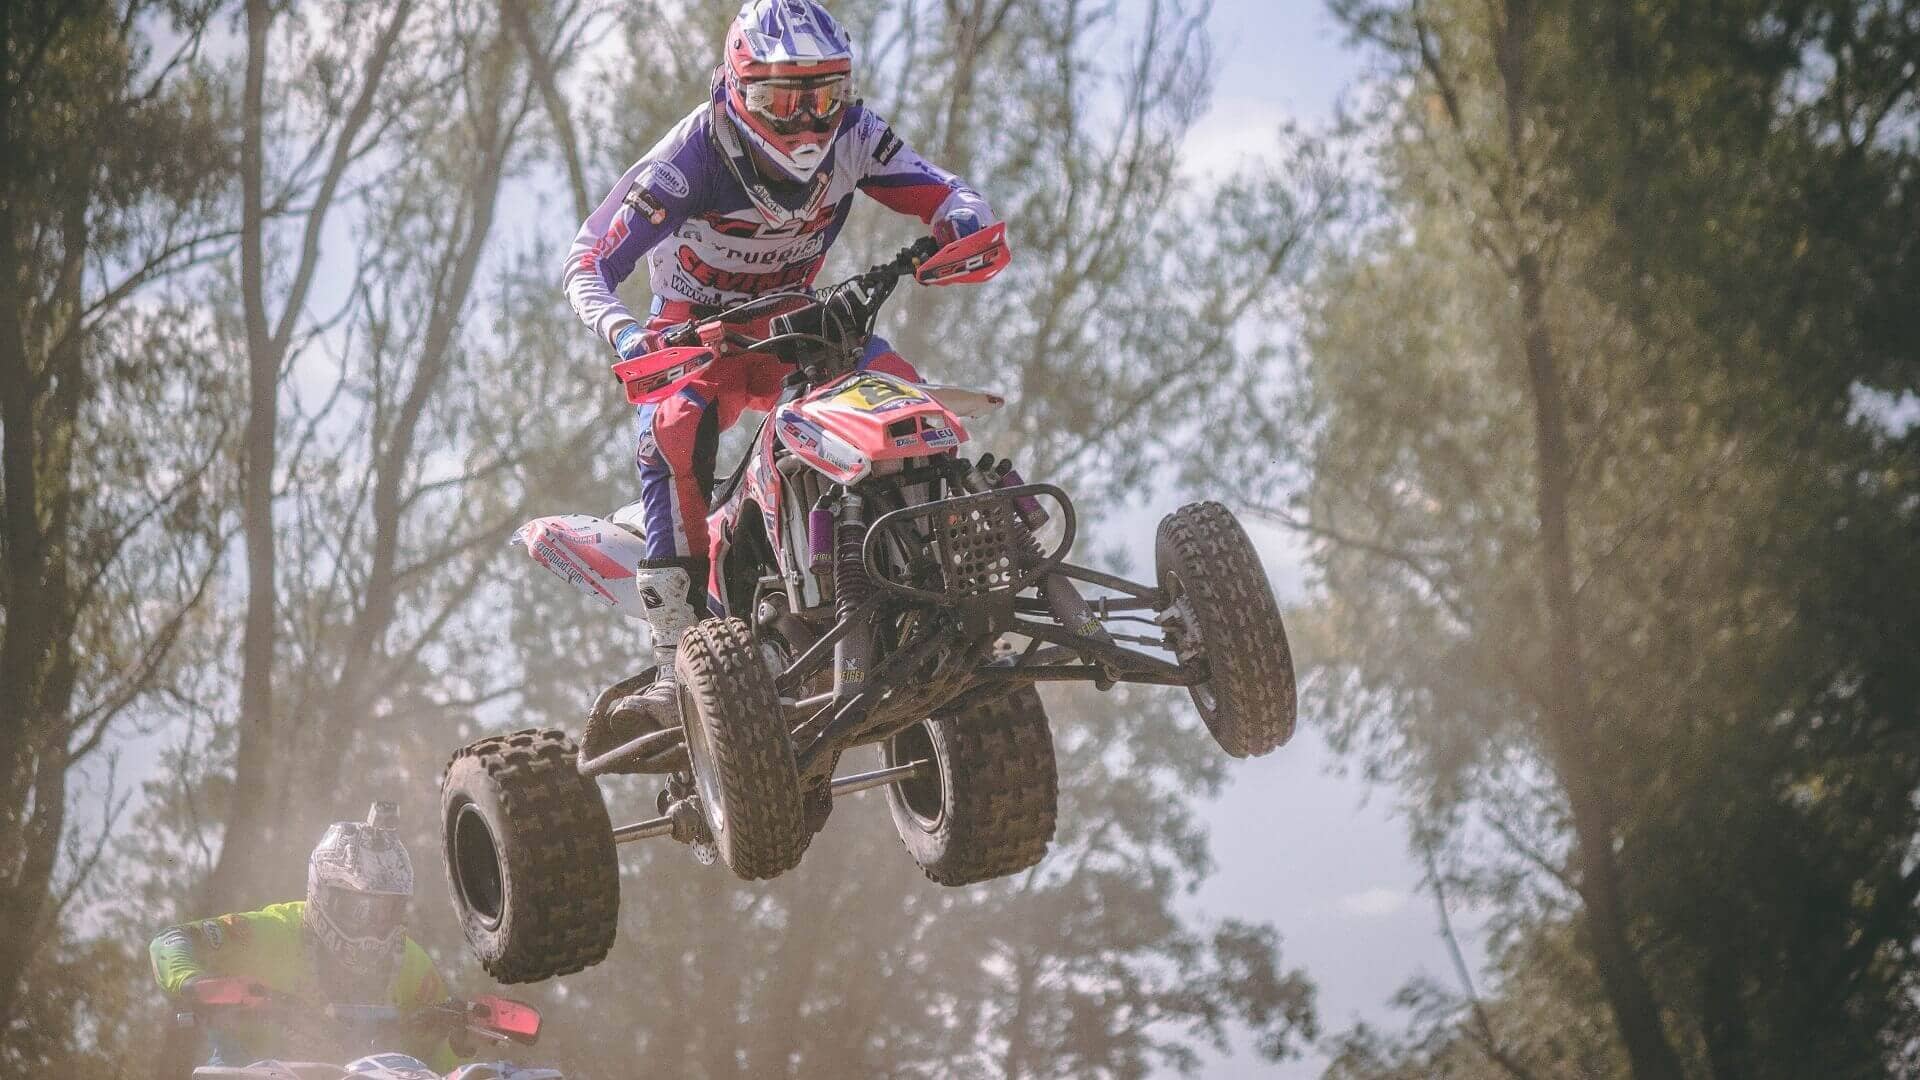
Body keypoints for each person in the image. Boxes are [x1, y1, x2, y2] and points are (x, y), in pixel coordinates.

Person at [563, 0, 1001, 754]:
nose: (804, 122)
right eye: (779, 100)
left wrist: (962, 215)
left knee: (905, 396)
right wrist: (627, 334)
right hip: (693, 334)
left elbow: (942, 188)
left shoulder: (857, 135)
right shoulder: (689, 157)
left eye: (821, 97)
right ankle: (678, 658)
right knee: (669, 430)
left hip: (804, 321)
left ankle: (956, 549)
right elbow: (588, 260)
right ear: (737, 88)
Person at [151, 802, 461, 1070]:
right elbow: (172, 939)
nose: (373, 923)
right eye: (359, 909)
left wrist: (460, 1036)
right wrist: (194, 983)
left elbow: (444, 1054)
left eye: (387, 910)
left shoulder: (411, 963)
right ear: (323, 893)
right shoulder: (271, 933)